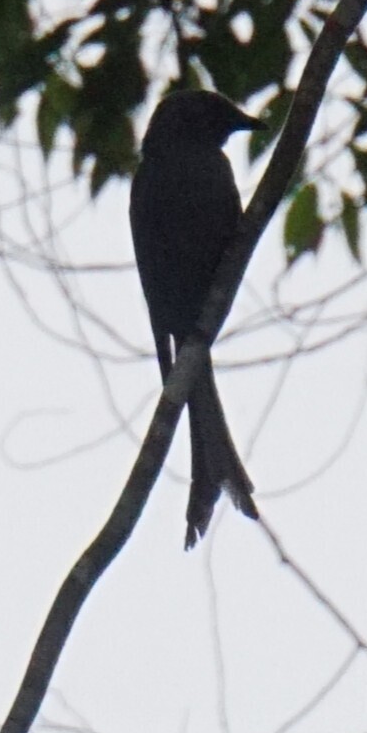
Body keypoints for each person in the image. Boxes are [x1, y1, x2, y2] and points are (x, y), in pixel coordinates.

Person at [130, 89, 264, 548]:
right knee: (194, 384)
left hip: (194, 308)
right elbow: (154, 275)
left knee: (194, 384)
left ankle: (210, 472)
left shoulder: (200, 168)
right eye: (220, 120)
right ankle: (212, 472)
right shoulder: (155, 178)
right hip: (182, 311)